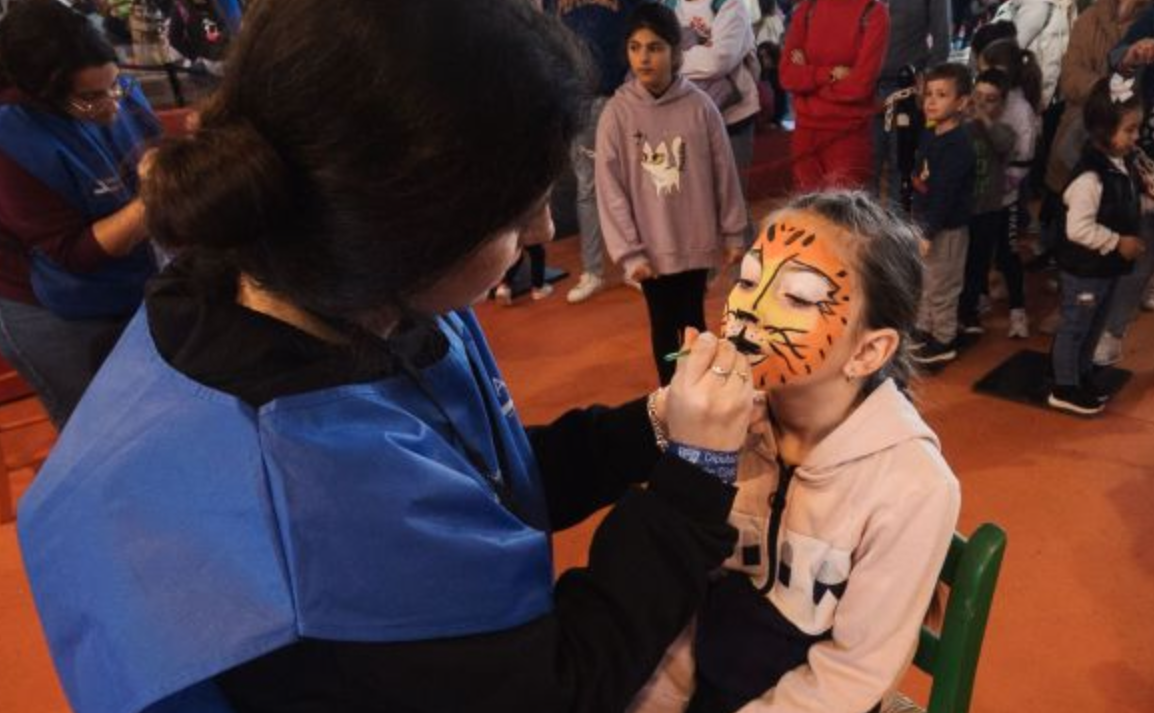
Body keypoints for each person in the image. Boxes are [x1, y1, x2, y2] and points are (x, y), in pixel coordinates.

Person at [17, 2, 759, 712]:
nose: (541, 231)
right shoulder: (312, 489)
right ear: (411, 229)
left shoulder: (346, 293)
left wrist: (653, 426)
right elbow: (553, 687)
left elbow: (475, 482)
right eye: (517, 213)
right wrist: (695, 484)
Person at [629, 191, 961, 713]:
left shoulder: (914, 487)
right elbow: (683, 595)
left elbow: (852, 675)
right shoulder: (727, 428)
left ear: (868, 351)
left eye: (799, 298)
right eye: (748, 279)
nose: (747, 311)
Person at [0, 0, 160, 427]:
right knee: (98, 425)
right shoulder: (12, 138)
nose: (111, 105)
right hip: (52, 308)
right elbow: (74, 253)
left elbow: (150, 143)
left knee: (148, 409)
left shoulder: (113, 87)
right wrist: (158, 198)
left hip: (129, 280)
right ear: (42, 96)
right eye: (91, 98)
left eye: (116, 87)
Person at [597, 3, 748, 386]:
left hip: (695, 244)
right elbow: (610, 190)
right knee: (664, 326)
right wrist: (629, 252)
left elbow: (724, 175)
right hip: (651, 251)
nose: (644, 58)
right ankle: (672, 394)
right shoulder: (617, 114)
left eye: (655, 47)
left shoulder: (701, 107)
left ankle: (700, 389)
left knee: (694, 322)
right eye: (635, 47)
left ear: (676, 52)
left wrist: (733, 233)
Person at [1050, 75, 1147, 416]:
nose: (1136, 138)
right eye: (1130, 130)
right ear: (1104, 132)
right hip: (1084, 270)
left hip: (1104, 269)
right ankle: (1064, 386)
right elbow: (1077, 228)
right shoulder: (1090, 177)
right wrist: (1118, 241)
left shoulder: (1121, 164)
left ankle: (1081, 374)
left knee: (1093, 326)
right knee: (1076, 326)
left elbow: (1122, 202)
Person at [546, 0, 646, 304]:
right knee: (587, 187)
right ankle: (593, 271)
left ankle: (635, 263)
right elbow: (553, 38)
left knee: (629, 183)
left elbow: (640, 30)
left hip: (618, 94)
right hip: (578, 99)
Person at [662, 0, 761, 245]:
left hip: (734, 116)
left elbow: (718, 61)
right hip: (689, 116)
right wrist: (699, 51)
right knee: (698, 204)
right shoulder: (669, 6)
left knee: (733, 204)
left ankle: (747, 274)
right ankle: (706, 277)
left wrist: (672, 59)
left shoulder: (728, 5)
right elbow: (655, 56)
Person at [778, 0, 890, 191]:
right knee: (807, 213)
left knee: (842, 214)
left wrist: (808, 73)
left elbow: (858, 87)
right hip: (805, 133)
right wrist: (830, 74)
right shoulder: (807, 9)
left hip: (847, 134)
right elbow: (787, 76)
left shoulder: (873, 13)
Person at [910, 63, 977, 364]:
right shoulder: (931, 133)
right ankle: (925, 329)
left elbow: (945, 195)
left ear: (961, 102)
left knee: (943, 286)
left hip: (945, 230)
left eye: (941, 95)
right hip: (925, 225)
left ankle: (944, 338)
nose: (931, 101)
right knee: (925, 282)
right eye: (928, 94)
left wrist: (928, 231)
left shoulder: (958, 145)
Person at [978, 39, 1042, 338]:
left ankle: (1018, 311)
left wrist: (1000, 187)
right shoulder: (979, 104)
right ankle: (978, 299)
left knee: (1007, 252)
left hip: (1006, 199)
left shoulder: (1020, 111)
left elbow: (1024, 158)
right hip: (979, 199)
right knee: (978, 250)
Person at [870, 0, 951, 206]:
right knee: (867, 165)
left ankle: (896, 235)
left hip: (907, 88)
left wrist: (925, 86)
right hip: (866, 86)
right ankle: (864, 233)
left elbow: (942, 41)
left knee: (902, 166)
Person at [959, 69, 1018, 337]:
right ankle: (953, 310)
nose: (981, 103)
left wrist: (982, 118)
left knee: (978, 264)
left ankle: (969, 311)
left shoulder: (1003, 131)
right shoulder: (959, 125)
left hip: (987, 210)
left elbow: (1004, 144)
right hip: (960, 210)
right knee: (955, 263)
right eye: (977, 96)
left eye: (990, 100)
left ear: (1002, 105)